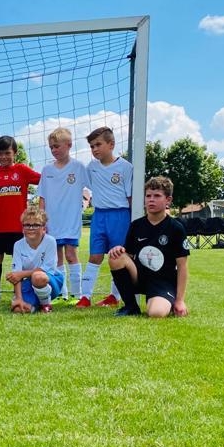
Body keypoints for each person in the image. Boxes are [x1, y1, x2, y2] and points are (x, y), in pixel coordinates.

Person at [108, 176, 189, 318]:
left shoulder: (176, 228)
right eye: (148, 196)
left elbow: (182, 266)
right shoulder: (136, 225)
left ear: (168, 200)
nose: (151, 200)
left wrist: (180, 300)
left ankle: (163, 301)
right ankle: (131, 306)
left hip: (162, 281)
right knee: (116, 257)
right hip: (139, 277)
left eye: (157, 196)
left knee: (156, 313)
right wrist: (119, 250)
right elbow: (128, 256)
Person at [0, 135, 40, 303]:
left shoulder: (22, 170)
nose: (4, 157)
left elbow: (44, 180)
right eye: (0, 154)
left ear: (15, 153)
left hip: (18, 227)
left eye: (7, 153)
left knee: (19, 261)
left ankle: (19, 293)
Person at [77, 126, 133, 309]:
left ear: (111, 144)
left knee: (118, 256)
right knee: (94, 256)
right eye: (92, 146)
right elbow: (86, 188)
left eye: (98, 144)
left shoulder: (125, 167)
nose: (94, 149)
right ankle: (85, 297)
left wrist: (134, 222)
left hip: (120, 216)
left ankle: (114, 296)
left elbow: (130, 197)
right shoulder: (91, 167)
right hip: (99, 216)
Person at [39, 127, 89, 301]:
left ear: (69, 145)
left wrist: (85, 203)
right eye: (51, 147)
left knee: (71, 255)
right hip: (52, 222)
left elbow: (90, 189)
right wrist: (41, 220)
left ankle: (77, 294)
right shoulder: (47, 170)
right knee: (56, 258)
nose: (54, 150)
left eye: (57, 146)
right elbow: (42, 197)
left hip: (71, 221)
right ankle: (62, 294)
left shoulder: (78, 167)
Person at [7, 207, 63, 314]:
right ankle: (33, 305)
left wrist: (21, 274)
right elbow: (16, 276)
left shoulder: (50, 241)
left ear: (44, 228)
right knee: (18, 309)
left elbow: (45, 270)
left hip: (51, 280)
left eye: (36, 225)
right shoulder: (18, 245)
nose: (31, 228)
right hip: (29, 283)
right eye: (27, 225)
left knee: (38, 277)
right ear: (23, 228)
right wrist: (19, 298)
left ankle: (46, 305)